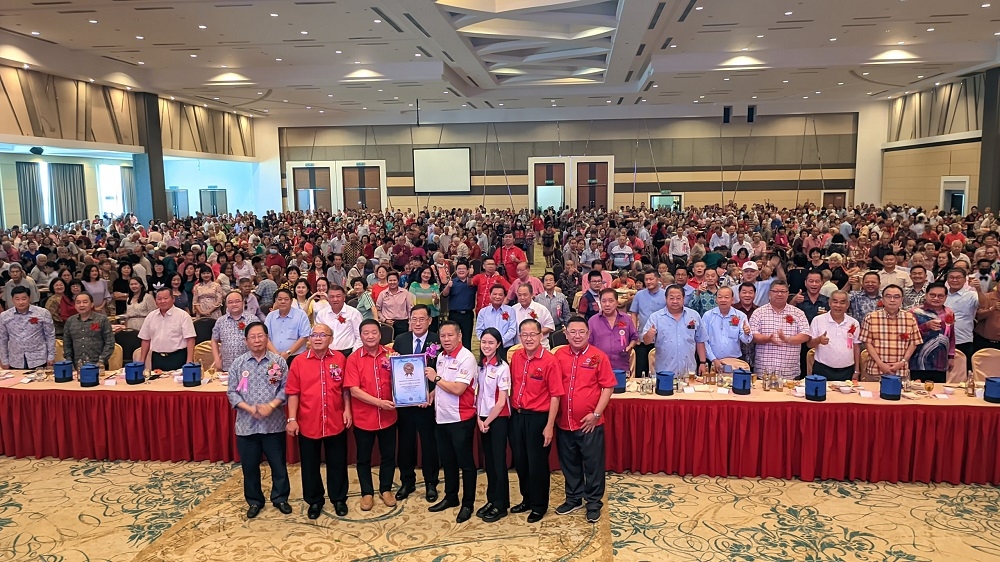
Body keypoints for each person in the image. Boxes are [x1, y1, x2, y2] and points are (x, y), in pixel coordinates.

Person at [285, 323, 352, 519]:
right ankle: (314, 501)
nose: (318, 338)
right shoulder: (298, 362)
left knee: (338, 462)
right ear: (309, 339)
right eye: (314, 334)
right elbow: (293, 393)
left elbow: (345, 389)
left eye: (323, 335)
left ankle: (339, 498)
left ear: (331, 339)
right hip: (308, 422)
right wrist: (291, 418)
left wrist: (347, 410)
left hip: (335, 419)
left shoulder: (340, 358)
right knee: (310, 465)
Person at [226, 322, 292, 519]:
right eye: (252, 337)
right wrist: (249, 409)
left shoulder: (278, 362)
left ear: (266, 337)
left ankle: (280, 498)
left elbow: (286, 389)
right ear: (246, 341)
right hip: (247, 425)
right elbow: (231, 392)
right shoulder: (238, 364)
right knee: (250, 467)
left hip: (274, 424)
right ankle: (254, 501)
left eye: (260, 336)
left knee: (278, 465)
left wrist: (271, 406)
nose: (257, 340)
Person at [553, 316, 616, 524]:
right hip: (564, 421)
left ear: (589, 334)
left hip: (590, 423)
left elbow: (608, 386)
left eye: (581, 332)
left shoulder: (599, 356)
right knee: (569, 464)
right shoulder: (558, 355)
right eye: (573, 332)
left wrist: (596, 414)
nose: (577, 336)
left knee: (593, 465)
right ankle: (573, 499)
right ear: (566, 334)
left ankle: (593, 503)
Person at [423, 321, 478, 523]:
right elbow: (443, 386)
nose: (446, 340)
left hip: (461, 419)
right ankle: (451, 496)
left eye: (450, 336)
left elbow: (458, 389)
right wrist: (431, 394)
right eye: (443, 336)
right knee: (447, 461)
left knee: (466, 464)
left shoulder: (467, 358)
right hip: (441, 417)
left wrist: (435, 379)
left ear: (459, 336)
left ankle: (468, 503)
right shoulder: (441, 357)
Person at [344, 318, 398, 512]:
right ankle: (367, 492)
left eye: (374, 332)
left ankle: (386, 489)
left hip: (389, 417)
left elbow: (402, 380)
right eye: (366, 333)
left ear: (380, 334)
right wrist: (379, 403)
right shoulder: (354, 358)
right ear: (360, 335)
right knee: (364, 458)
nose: (370, 336)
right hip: (363, 417)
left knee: (388, 456)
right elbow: (354, 390)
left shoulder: (392, 355)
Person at [393, 305, 441, 504]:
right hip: (405, 403)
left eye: (422, 319)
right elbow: (395, 371)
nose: (418, 323)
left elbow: (444, 372)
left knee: (429, 444)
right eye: (414, 319)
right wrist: (392, 361)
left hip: (428, 402)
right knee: (405, 443)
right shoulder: (401, 340)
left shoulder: (438, 340)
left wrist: (431, 394)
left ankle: (431, 482)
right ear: (409, 321)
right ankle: (407, 481)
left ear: (430, 321)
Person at [474, 327, 510, 523]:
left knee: (498, 463)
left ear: (498, 345)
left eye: (491, 343)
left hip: (497, 420)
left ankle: (501, 504)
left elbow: (501, 401)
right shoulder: (481, 366)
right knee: (489, 463)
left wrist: (486, 421)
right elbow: (478, 395)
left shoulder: (502, 367)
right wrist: (479, 419)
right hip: (483, 419)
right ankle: (492, 499)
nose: (487, 346)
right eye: (484, 342)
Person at [859, 285, 921, 382]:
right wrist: (880, 364)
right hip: (875, 370)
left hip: (901, 371)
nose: (892, 300)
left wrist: (902, 362)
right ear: (882, 299)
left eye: (896, 297)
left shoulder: (910, 318)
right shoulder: (871, 317)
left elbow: (914, 343)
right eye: (888, 296)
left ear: (901, 300)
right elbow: (867, 343)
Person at [642, 284, 708, 377]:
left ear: (684, 298)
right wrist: (649, 334)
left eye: (678, 298)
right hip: (664, 372)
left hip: (689, 371)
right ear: (666, 298)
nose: (675, 301)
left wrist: (702, 362)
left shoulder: (694, 315)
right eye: (671, 298)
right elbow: (646, 341)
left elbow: (700, 340)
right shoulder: (656, 317)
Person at [749, 280, 810, 379]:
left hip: (789, 371)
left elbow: (805, 335)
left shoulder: (798, 313)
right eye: (776, 291)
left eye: (783, 291)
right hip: (764, 371)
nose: (779, 294)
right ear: (770, 293)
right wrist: (768, 339)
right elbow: (752, 336)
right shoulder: (759, 313)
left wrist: (788, 340)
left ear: (788, 294)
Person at [138, 286, 197, 371]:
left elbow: (190, 339)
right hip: (157, 358)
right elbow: (145, 339)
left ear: (173, 299)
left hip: (177, 357)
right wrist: (141, 361)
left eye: (165, 298)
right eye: (159, 299)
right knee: (158, 382)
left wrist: (189, 360)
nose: (162, 301)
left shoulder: (183, 315)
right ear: (155, 300)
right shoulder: (151, 316)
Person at [807, 290, 861, 381]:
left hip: (847, 370)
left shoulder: (854, 323)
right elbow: (809, 344)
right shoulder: (818, 320)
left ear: (847, 305)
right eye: (835, 302)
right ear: (829, 303)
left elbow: (856, 347)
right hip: (822, 369)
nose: (838, 305)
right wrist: (818, 340)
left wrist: (856, 371)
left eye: (842, 302)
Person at [908, 283, 956, 383]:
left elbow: (951, 336)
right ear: (926, 295)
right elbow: (907, 335)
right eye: (932, 295)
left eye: (940, 296)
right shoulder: (915, 312)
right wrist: (926, 326)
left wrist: (951, 356)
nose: (936, 298)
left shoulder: (949, 312)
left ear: (946, 297)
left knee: (937, 393)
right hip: (918, 361)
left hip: (941, 361)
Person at [0, 286, 55, 370]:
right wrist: (4, 360)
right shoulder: (5, 316)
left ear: (29, 298)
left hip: (39, 358)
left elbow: (50, 336)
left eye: (24, 298)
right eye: (17, 299)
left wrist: (51, 356)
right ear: (12, 300)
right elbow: (3, 339)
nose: (21, 302)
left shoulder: (43, 313)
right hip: (15, 360)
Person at [587, 288, 637, 374]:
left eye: (611, 301)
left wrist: (630, 347)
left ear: (617, 303)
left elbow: (634, 337)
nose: (607, 304)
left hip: (621, 365)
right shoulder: (592, 321)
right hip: (599, 367)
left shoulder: (626, 319)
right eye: (604, 301)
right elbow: (588, 344)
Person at [702, 286, 753, 370]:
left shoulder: (740, 316)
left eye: (726, 297)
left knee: (731, 382)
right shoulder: (708, 316)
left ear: (732, 300)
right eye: (720, 297)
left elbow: (746, 340)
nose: (723, 300)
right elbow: (704, 340)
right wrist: (713, 359)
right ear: (716, 299)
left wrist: (746, 333)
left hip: (734, 362)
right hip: (713, 361)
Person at [944, 267, 983, 373]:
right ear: (947, 279)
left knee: (962, 373)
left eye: (958, 277)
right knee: (943, 374)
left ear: (965, 280)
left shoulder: (971, 295)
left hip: (963, 340)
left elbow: (983, 305)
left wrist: (979, 289)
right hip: (942, 340)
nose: (954, 280)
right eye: (951, 277)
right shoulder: (942, 295)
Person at [62, 292, 114, 367]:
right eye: (78, 302)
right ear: (75, 305)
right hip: (77, 365)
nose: (81, 305)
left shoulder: (102, 319)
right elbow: (67, 344)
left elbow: (110, 342)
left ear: (92, 304)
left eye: (85, 302)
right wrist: (69, 362)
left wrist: (101, 360)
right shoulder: (70, 321)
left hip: (98, 364)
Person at [629, 270, 665, 378]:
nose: (648, 282)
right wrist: (634, 333)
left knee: (658, 369)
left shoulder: (665, 294)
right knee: (641, 369)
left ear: (658, 280)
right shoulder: (639, 295)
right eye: (646, 280)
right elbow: (634, 314)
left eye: (651, 279)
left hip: (661, 338)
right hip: (642, 338)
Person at [211, 290, 258, 372]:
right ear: (226, 305)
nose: (234, 304)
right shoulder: (220, 321)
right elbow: (214, 340)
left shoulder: (253, 319)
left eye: (237, 301)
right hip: (227, 367)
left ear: (243, 303)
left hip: (250, 366)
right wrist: (217, 359)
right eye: (230, 302)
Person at [264, 288, 311, 365]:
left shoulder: (301, 315)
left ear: (291, 301)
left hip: (296, 357)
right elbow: (265, 337)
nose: (283, 302)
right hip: (274, 357)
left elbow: (304, 336)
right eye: (280, 299)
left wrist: (288, 352)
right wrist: (276, 354)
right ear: (276, 301)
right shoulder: (270, 316)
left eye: (286, 299)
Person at [315, 284, 363, 357]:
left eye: (338, 296)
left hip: (348, 353)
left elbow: (360, 336)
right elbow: (318, 336)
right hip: (327, 353)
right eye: (332, 297)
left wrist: (353, 354)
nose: (335, 299)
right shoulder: (322, 314)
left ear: (344, 297)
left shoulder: (353, 313)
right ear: (327, 298)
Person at [443, 261, 476, 350]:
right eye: (459, 269)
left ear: (468, 270)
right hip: (454, 314)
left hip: (467, 315)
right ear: (456, 271)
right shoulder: (452, 282)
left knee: (467, 339)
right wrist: (448, 286)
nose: (461, 271)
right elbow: (444, 295)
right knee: (452, 337)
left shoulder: (472, 282)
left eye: (463, 269)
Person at [513, 284, 555, 348]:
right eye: (519, 295)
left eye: (525, 295)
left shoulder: (541, 309)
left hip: (541, 346)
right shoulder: (513, 309)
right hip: (520, 346)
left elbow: (550, 327)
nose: (522, 298)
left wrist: (533, 333)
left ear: (532, 295)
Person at [376, 270, 412, 338]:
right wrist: (384, 320)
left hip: (402, 324)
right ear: (387, 281)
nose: (392, 282)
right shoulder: (382, 294)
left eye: (394, 280)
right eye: (390, 280)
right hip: (387, 324)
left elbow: (410, 309)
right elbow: (378, 309)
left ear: (398, 281)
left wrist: (410, 324)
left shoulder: (405, 293)